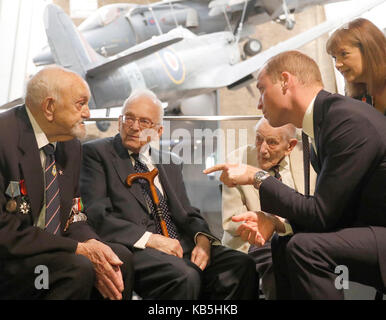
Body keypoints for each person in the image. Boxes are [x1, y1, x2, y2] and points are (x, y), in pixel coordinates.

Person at [205, 50, 386, 299]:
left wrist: (257, 177)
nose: (258, 103)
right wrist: (277, 223)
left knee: (305, 247)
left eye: (261, 89)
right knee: (284, 242)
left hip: (379, 232)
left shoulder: (345, 121)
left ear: (285, 81)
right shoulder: (326, 123)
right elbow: (331, 212)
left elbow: (322, 214)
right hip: (369, 229)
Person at [80, 89, 259, 300]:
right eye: (129, 118)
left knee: (241, 265)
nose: (134, 127)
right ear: (119, 121)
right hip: (137, 248)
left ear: (158, 131)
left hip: (181, 244)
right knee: (185, 275)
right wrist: (151, 240)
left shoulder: (170, 161)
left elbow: (187, 211)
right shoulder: (95, 153)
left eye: (145, 122)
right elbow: (98, 215)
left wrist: (202, 239)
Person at [0, 66, 134, 300]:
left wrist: (91, 242)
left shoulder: (70, 145)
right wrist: (78, 249)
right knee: (76, 268)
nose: (88, 113)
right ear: (49, 107)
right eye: (80, 104)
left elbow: (75, 213)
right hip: (10, 263)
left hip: (50, 253)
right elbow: (4, 231)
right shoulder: (4, 137)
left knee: (117, 259)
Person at [222, 117, 316, 299]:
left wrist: (282, 225)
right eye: (258, 139)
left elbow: (314, 208)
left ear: (290, 146)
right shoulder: (237, 159)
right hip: (254, 242)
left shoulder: (308, 158)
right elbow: (231, 220)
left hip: (299, 235)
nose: (262, 149)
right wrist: (260, 223)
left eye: (272, 142)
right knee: (276, 263)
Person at [326, 18, 386, 115]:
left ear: (369, 50)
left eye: (344, 54)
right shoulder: (358, 96)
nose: (337, 64)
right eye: (334, 57)